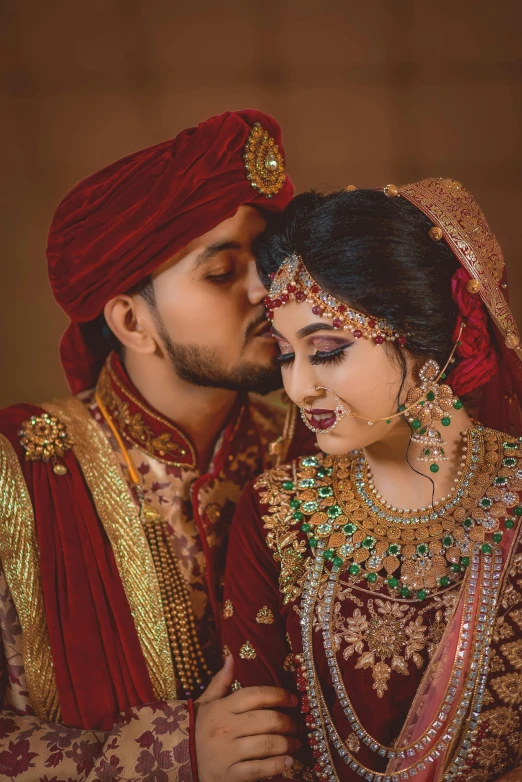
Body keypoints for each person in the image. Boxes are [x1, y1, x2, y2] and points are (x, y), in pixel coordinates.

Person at [0, 110, 312, 781]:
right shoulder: (16, 472)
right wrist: (172, 752)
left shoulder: (316, 450)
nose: (265, 290)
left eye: (265, 262)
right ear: (132, 322)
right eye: (224, 270)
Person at [222, 178, 522, 781]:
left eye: (327, 348)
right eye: (286, 354)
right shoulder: (279, 512)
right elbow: (260, 746)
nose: (300, 387)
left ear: (426, 343)